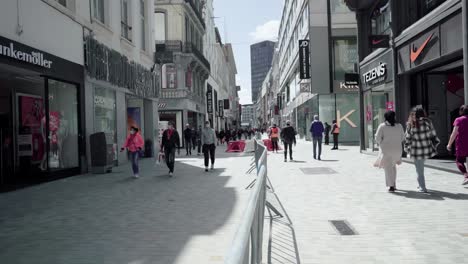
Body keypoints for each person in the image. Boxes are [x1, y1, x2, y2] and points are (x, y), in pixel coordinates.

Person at [404, 107, 440, 193]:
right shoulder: (428, 122)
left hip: (416, 150)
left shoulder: (411, 123)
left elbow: (408, 138)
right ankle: (420, 184)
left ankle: (422, 187)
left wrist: (406, 147)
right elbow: (433, 134)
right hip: (426, 149)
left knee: (419, 170)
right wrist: (435, 143)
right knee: (420, 168)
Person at [374, 111, 405, 192]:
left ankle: (391, 186)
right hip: (397, 150)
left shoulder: (382, 126)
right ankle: (393, 184)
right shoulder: (399, 126)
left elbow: (377, 138)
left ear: (385, 118)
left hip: (386, 151)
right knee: (393, 166)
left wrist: (382, 142)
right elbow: (403, 138)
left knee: (388, 168)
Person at [447, 106, 468, 185]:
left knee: (459, 161)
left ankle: (466, 175)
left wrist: (449, 144)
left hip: (462, 143)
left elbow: (454, 133)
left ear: (461, 111)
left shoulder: (458, 120)